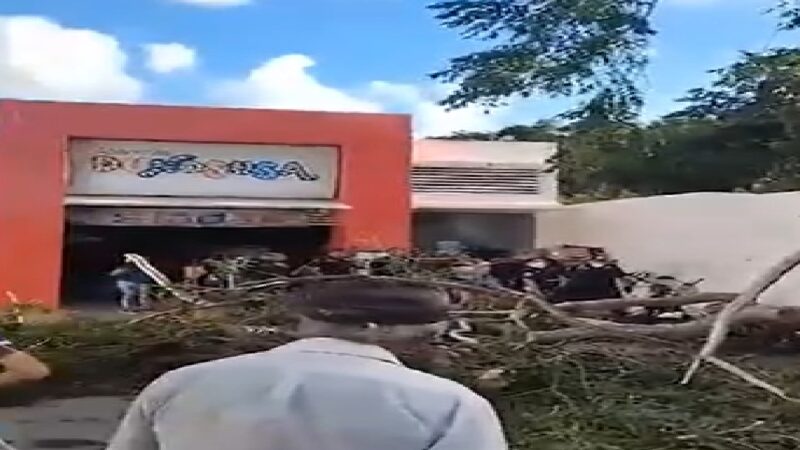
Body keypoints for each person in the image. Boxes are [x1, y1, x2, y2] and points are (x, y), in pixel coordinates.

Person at [107, 279, 508, 450]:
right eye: (430, 336)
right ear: (371, 328)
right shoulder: (449, 403)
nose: (441, 346)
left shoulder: (181, 383)